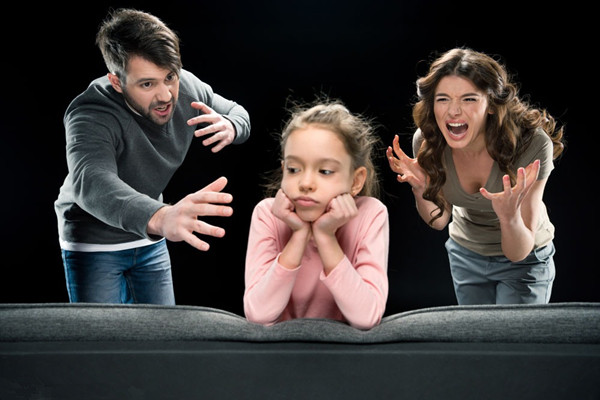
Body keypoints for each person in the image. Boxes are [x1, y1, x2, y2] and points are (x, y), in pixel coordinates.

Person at [54, 8, 251, 305]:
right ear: (117, 82)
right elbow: (91, 180)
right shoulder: (90, 112)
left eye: (170, 76)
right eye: (147, 84)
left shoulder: (186, 87)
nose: (166, 95)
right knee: (103, 334)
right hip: (94, 243)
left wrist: (232, 126)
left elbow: (237, 112)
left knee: (162, 332)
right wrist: (161, 216)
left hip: (150, 237)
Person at [387, 47, 565, 305]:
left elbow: (518, 252)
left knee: (514, 332)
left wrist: (509, 216)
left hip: (525, 256)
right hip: (465, 253)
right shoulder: (428, 142)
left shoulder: (532, 144)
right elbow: (439, 221)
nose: (453, 111)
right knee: (475, 333)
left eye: (468, 99)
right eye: (443, 99)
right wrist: (421, 188)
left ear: (491, 104)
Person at [244, 99, 389, 330]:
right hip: (281, 348)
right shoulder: (268, 214)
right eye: (293, 169)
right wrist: (299, 235)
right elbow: (258, 314)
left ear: (356, 180)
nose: (306, 183)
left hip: (343, 350)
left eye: (325, 171)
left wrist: (325, 236)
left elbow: (366, 317)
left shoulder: (371, 214)